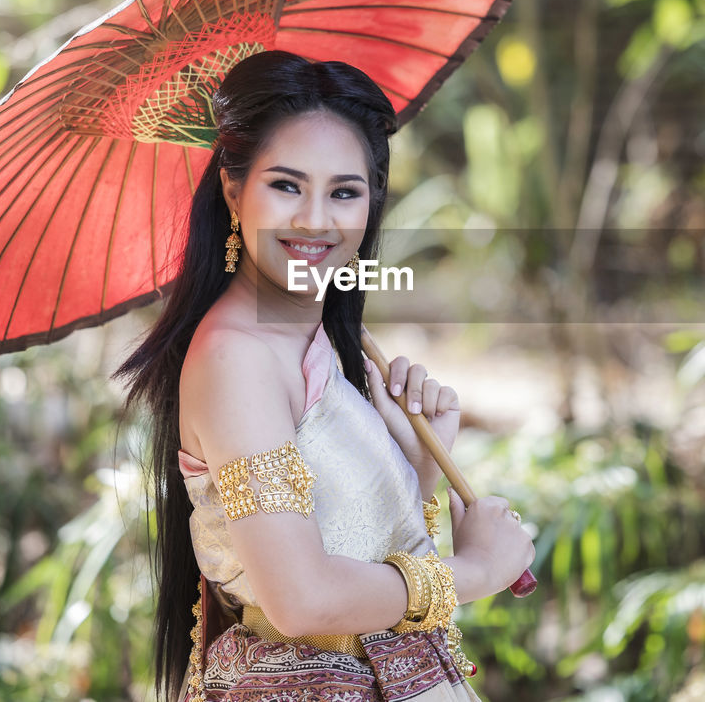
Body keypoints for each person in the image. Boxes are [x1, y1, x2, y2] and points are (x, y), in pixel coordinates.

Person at [114, 50, 536, 701]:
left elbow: (362, 552)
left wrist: (418, 460)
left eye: (344, 191)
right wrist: (474, 569)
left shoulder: (314, 343)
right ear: (233, 190)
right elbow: (302, 600)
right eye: (287, 185)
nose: (316, 220)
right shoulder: (236, 358)